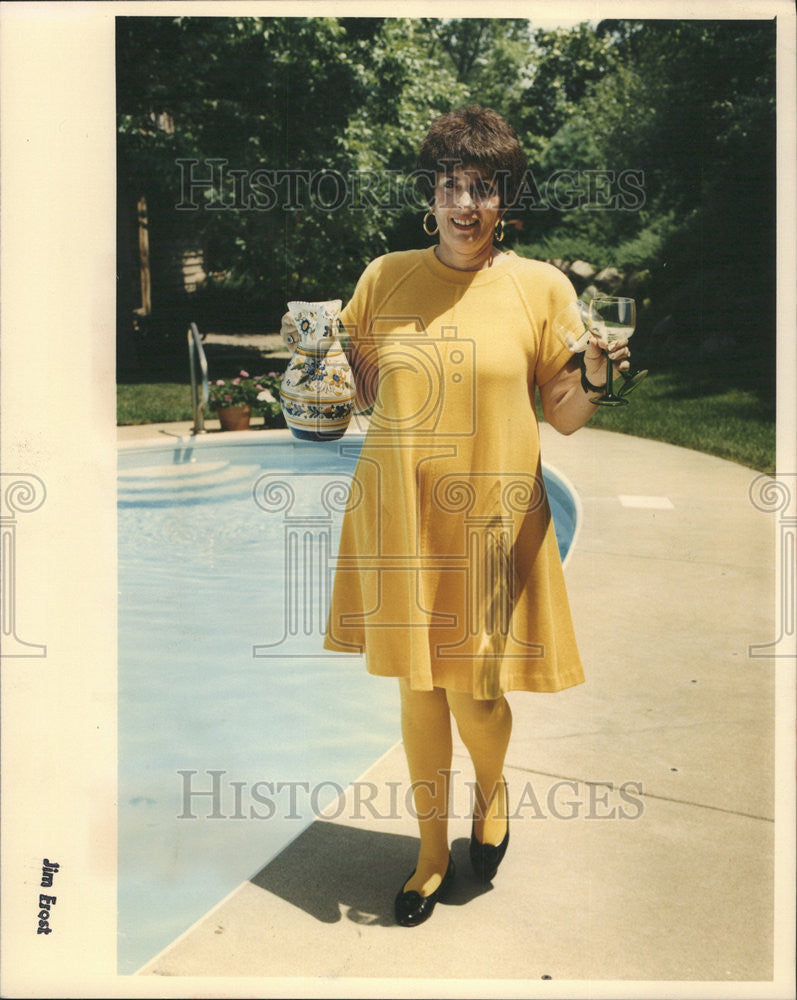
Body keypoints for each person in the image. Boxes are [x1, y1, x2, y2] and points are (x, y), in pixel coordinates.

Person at [280, 105, 630, 927]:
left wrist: (595, 376)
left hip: (490, 524)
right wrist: (319, 377)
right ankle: (429, 851)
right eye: (450, 186)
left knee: (475, 693)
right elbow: (363, 393)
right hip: (398, 514)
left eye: (483, 188)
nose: (465, 205)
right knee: (416, 687)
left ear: (503, 198)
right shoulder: (382, 277)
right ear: (428, 194)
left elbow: (566, 413)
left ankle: (494, 790)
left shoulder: (540, 286)